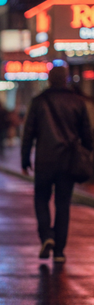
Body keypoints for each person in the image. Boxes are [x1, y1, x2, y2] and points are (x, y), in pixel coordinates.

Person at [21, 66, 93, 264]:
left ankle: (47, 236)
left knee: (41, 199)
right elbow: (87, 135)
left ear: (49, 80)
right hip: (68, 160)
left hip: (45, 159)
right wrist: (85, 152)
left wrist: (25, 159)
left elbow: (28, 133)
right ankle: (59, 251)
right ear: (66, 79)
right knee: (63, 204)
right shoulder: (77, 102)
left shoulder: (39, 101)